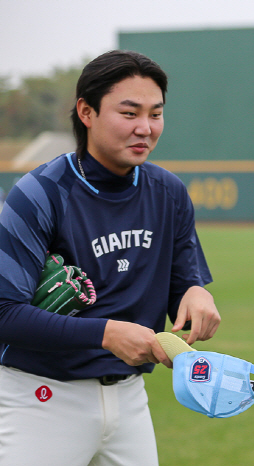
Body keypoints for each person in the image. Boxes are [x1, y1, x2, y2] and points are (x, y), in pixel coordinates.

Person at [0, 50, 221, 466]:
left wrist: (195, 294)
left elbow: (183, 285)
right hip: (41, 398)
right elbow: (2, 312)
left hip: (130, 399)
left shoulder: (168, 192)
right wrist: (105, 334)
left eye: (156, 114)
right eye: (129, 112)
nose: (145, 128)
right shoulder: (41, 193)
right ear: (86, 111)